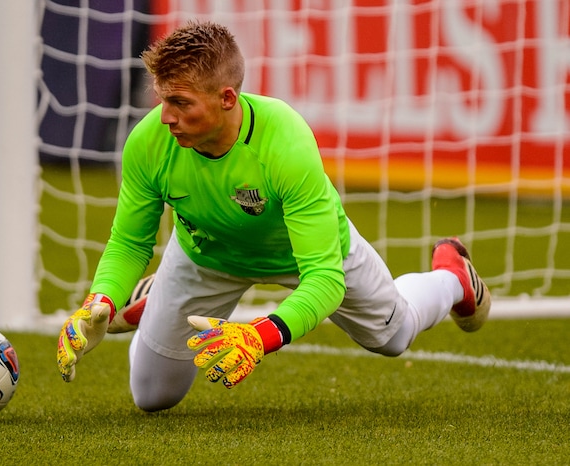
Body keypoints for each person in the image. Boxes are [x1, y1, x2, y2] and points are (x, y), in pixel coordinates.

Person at [56, 20, 491, 412]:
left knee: (394, 338)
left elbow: (324, 278)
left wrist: (259, 335)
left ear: (227, 98)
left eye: (180, 103)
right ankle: (145, 301)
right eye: (162, 99)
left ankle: (453, 278)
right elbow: (130, 242)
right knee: (152, 398)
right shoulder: (148, 142)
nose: (165, 116)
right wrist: (101, 300)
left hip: (302, 257)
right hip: (206, 257)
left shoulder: (285, 144)